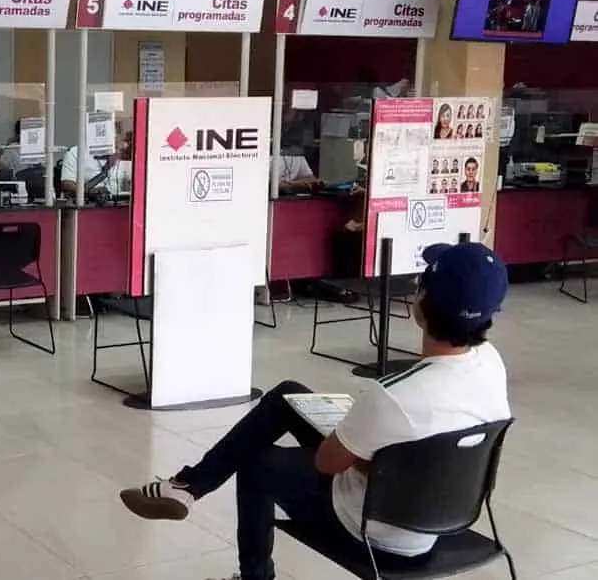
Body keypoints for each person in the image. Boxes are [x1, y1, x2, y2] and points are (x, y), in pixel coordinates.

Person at [120, 242, 511, 580]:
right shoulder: (491, 366)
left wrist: (368, 456)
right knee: (288, 396)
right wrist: (378, 458)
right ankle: (187, 487)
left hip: (372, 527)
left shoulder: (393, 395)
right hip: (442, 516)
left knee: (257, 464)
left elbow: (327, 463)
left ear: (421, 302)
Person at [60, 123, 133, 197]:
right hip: (89, 201)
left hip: (122, 201)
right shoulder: (76, 152)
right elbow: (67, 184)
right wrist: (89, 192)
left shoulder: (124, 154)